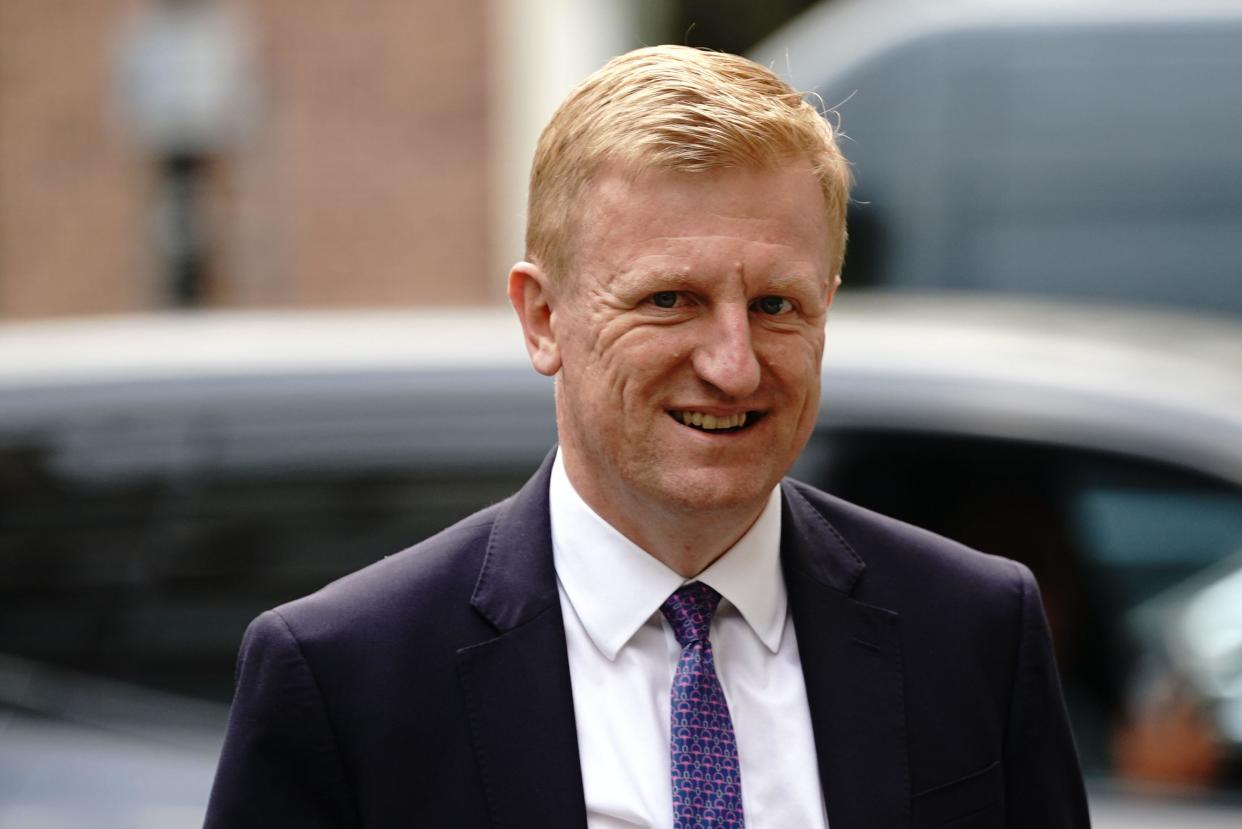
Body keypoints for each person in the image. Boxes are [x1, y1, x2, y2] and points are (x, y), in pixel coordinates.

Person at [204, 45, 1090, 828]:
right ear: (542, 317)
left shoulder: (972, 630)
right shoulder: (347, 677)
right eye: (671, 300)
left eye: (778, 305)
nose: (735, 366)